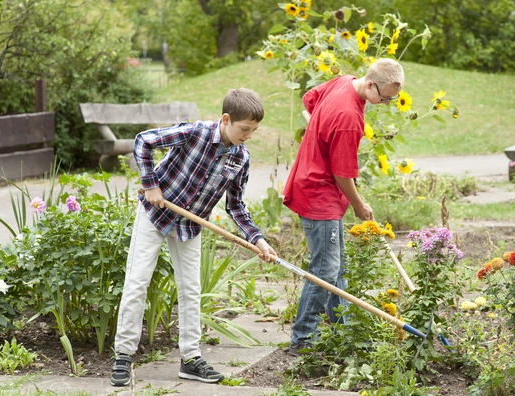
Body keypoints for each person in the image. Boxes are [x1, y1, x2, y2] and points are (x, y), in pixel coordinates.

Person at [110, 88, 277, 386]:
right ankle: (123, 355)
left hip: (190, 225)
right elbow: (143, 142)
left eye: (254, 130)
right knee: (137, 281)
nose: (248, 135)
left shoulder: (241, 158)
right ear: (226, 119)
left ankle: (190, 358)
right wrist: (151, 185)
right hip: (156, 213)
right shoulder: (195, 133)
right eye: (244, 129)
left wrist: (258, 239)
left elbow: (236, 205)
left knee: (190, 289)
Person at [283, 59, 405, 355]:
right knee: (325, 270)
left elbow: (309, 99)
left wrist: (320, 130)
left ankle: (344, 330)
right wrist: (359, 205)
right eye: (386, 98)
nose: (387, 104)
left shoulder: (344, 82)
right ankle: (303, 339)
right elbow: (342, 174)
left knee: (337, 267)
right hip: (318, 193)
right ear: (371, 83)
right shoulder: (349, 117)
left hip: (316, 186)